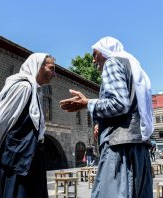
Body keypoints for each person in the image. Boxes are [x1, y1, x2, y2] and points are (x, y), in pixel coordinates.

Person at [60, 36, 154, 198]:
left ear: (105, 52)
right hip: (137, 147)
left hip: (120, 148)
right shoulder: (134, 67)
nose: (93, 60)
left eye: (95, 54)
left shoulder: (112, 63)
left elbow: (119, 103)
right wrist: (100, 123)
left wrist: (86, 103)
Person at [0, 53, 56, 198]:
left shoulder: (34, 89)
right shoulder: (23, 87)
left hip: (30, 160)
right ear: (38, 67)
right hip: (18, 161)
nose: (54, 74)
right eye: (51, 69)